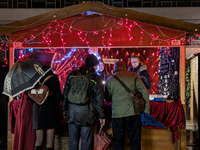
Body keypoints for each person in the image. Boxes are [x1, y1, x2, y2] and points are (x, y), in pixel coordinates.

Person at [62, 53, 105, 150]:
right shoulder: (96, 78)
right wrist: (101, 116)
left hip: (72, 112)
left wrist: (64, 109)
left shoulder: (72, 74)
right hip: (87, 114)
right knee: (86, 144)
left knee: (73, 143)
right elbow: (99, 99)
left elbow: (65, 94)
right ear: (94, 65)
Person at [105, 61, 150, 150]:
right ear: (124, 67)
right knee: (135, 141)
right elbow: (144, 91)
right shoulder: (133, 75)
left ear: (115, 68)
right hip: (132, 113)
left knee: (118, 142)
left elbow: (107, 98)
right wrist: (146, 110)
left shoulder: (110, 79)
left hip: (117, 114)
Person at [30, 70, 62, 150]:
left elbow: (30, 98)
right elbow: (58, 97)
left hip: (37, 111)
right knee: (50, 141)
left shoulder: (35, 79)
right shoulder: (54, 78)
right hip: (51, 110)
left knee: (39, 139)